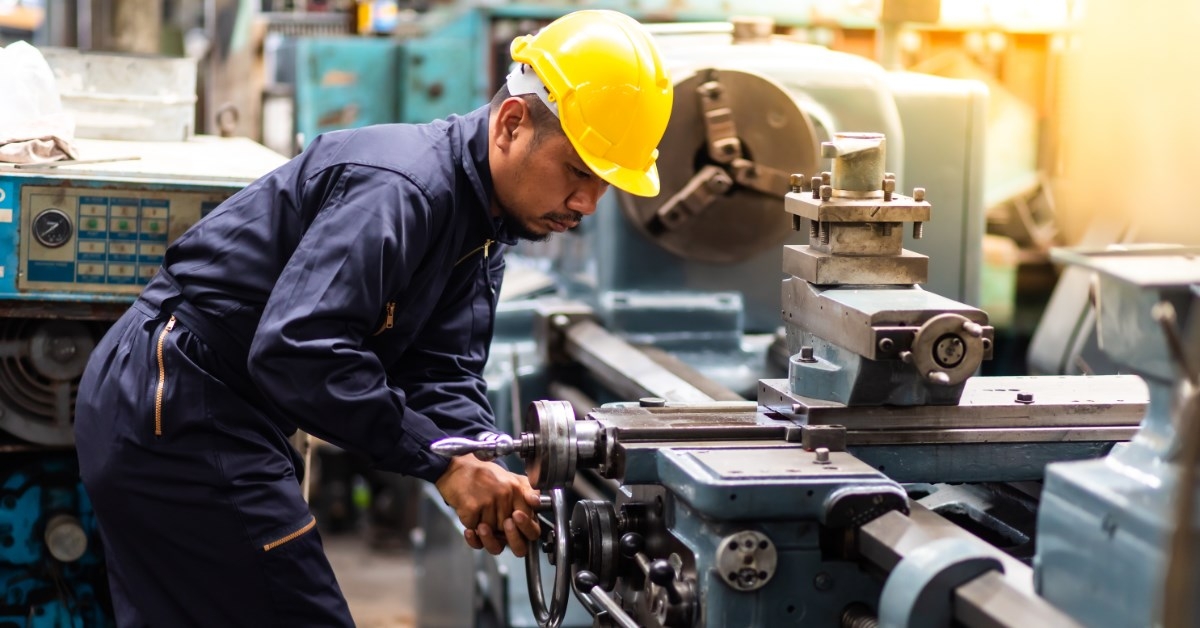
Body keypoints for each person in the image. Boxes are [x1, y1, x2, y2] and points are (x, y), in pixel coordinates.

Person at [72, 9, 672, 626]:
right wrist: (442, 463)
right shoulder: (403, 189)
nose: (586, 204)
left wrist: (483, 464)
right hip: (176, 397)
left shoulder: (484, 228)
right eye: (577, 171)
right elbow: (296, 349)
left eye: (603, 184)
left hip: (215, 408)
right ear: (512, 124)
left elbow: (442, 369)